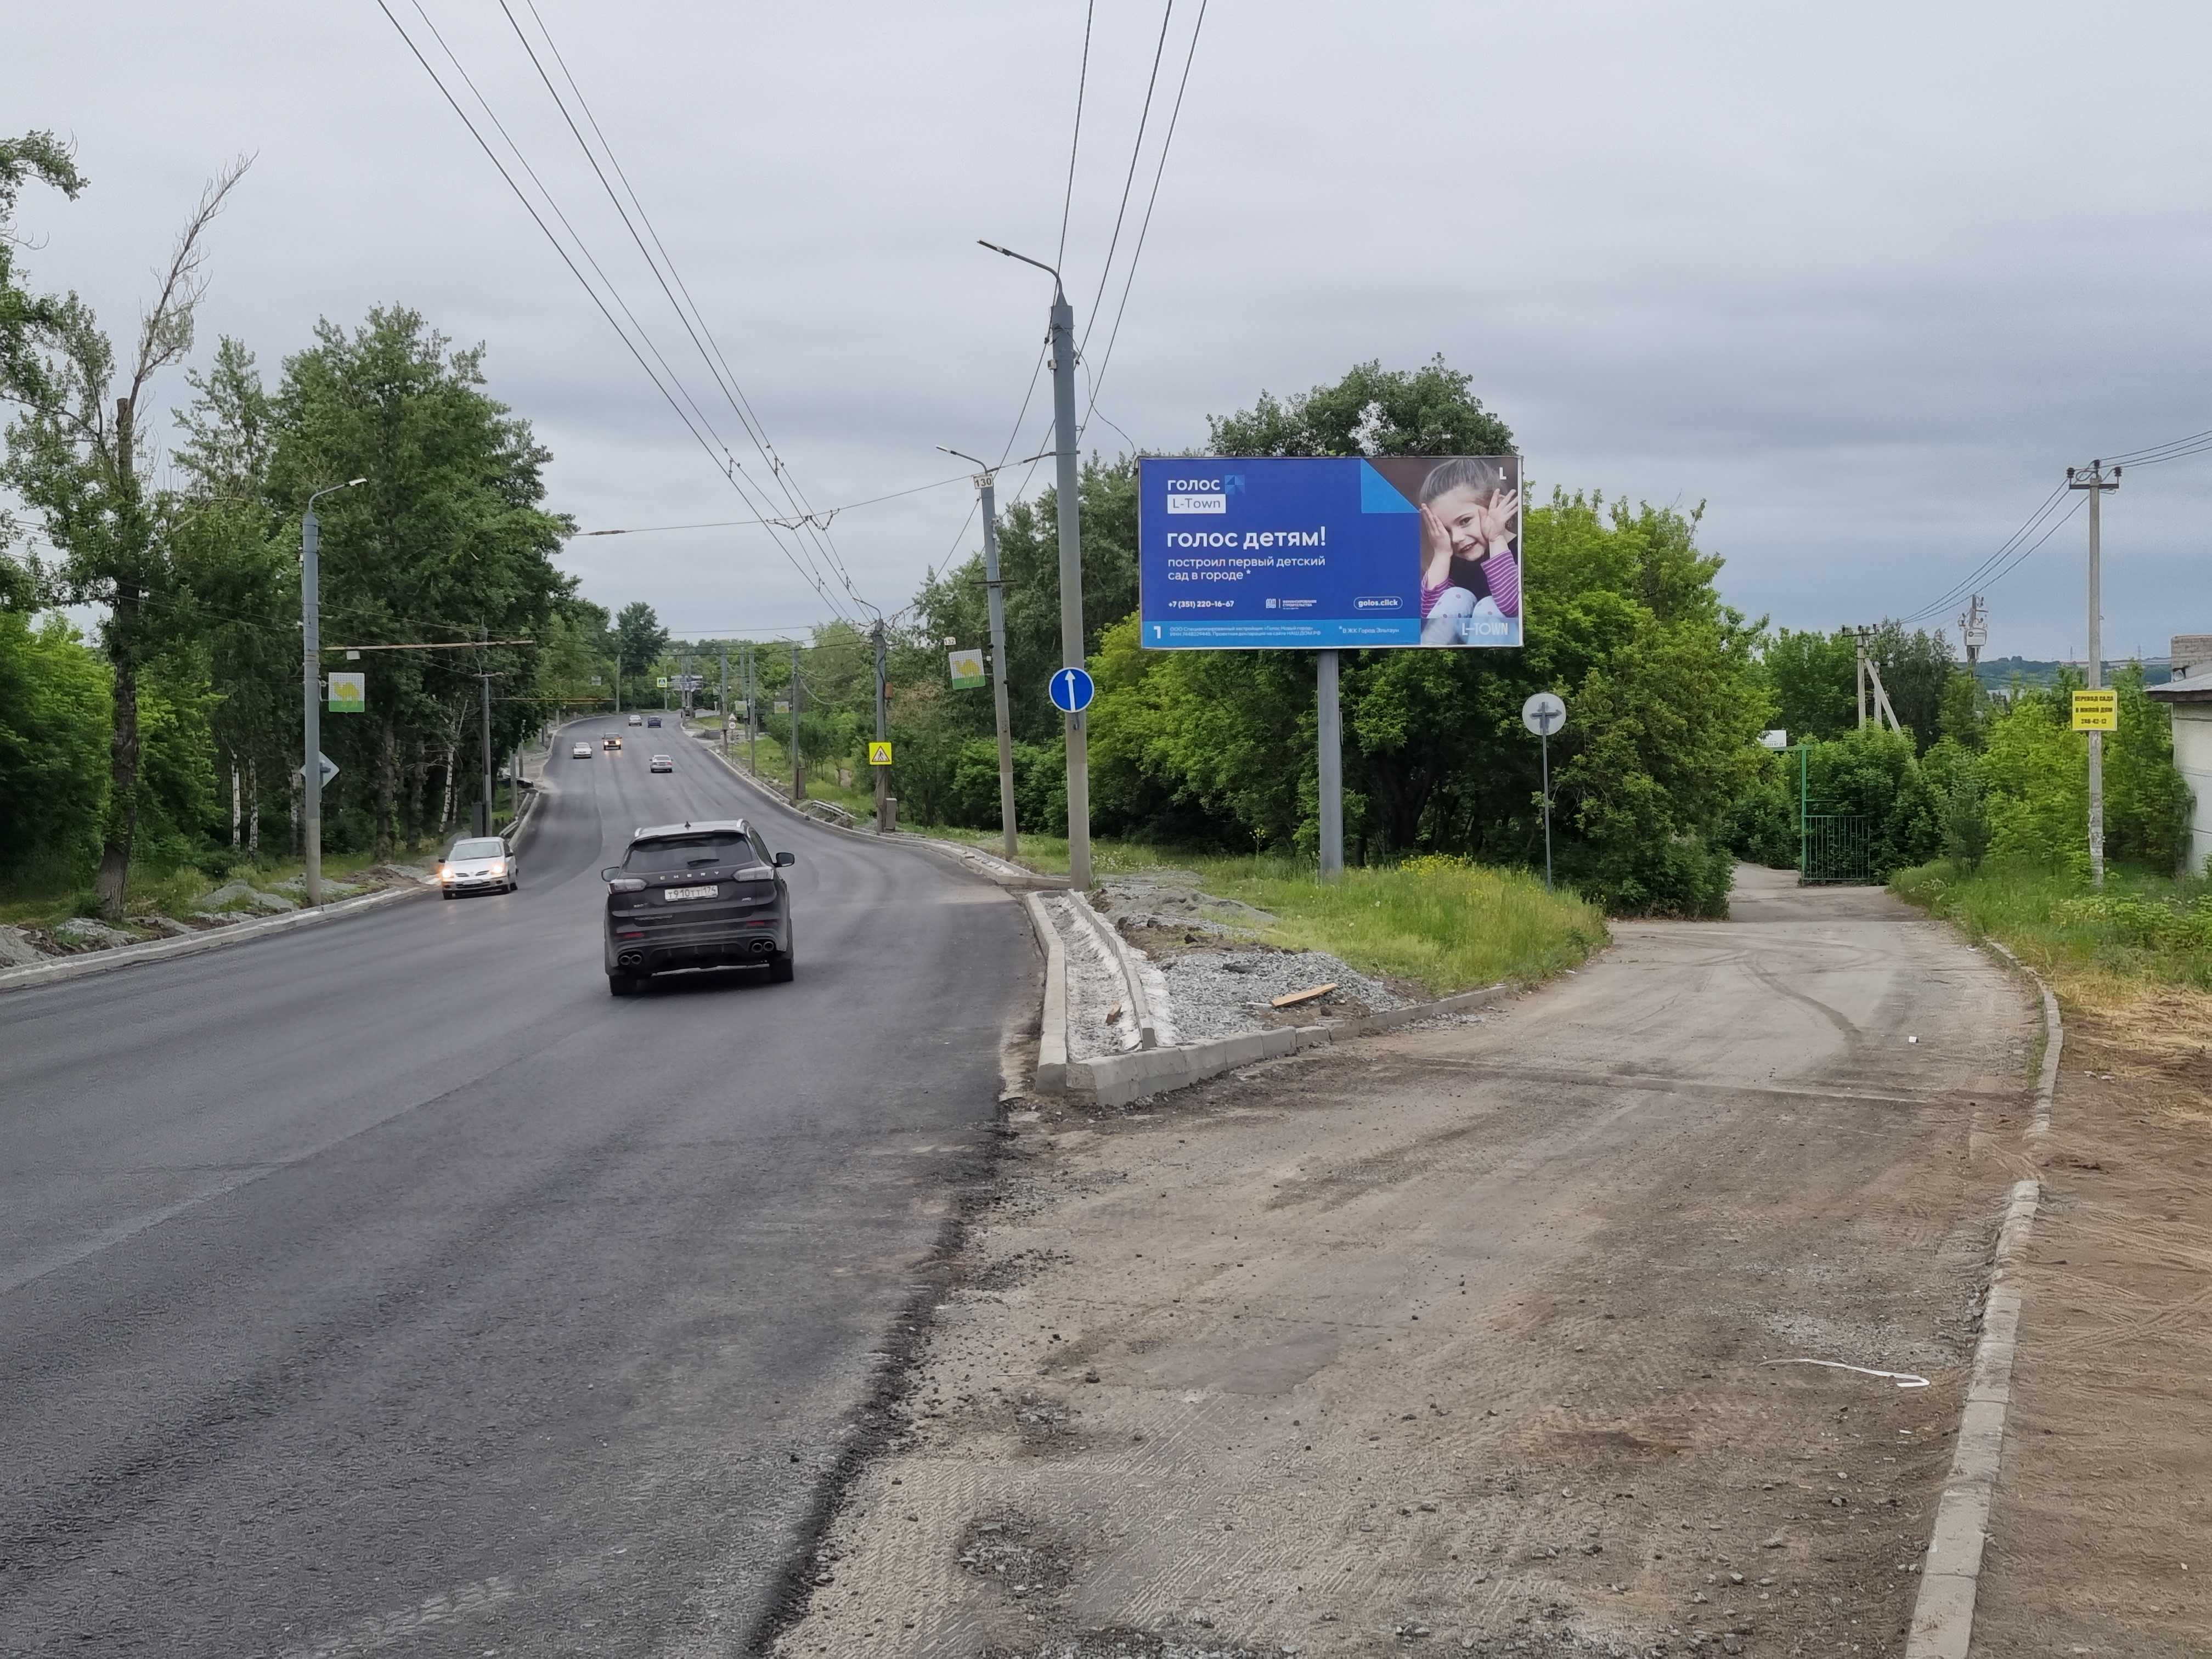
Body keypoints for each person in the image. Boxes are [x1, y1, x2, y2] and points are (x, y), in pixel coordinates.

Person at [1416, 458, 1519, 644]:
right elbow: (1428, 618)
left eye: (1465, 521)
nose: (1456, 538)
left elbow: (1511, 606)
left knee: (1491, 605)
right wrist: (1441, 555)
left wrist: (1496, 539)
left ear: (1498, 507)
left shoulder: (1520, 550)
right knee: (1457, 596)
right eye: (1446, 530)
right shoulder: (1455, 560)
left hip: (1504, 659)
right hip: (1456, 659)